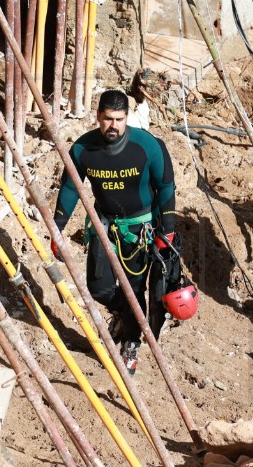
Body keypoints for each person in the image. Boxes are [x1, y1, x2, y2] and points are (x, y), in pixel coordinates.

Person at [51, 89, 178, 375]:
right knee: (98, 288)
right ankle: (126, 316)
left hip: (140, 229)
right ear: (98, 117)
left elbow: (167, 187)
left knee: (134, 290)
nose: (114, 126)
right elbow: (71, 187)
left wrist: (166, 230)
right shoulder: (83, 150)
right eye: (108, 119)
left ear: (127, 118)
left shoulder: (147, 146)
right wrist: (57, 228)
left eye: (119, 119)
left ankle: (131, 344)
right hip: (103, 225)